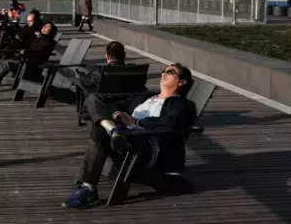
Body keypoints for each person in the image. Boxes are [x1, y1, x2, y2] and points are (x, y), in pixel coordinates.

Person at [62, 63, 196, 210]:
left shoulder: (182, 104)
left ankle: (88, 189)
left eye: (170, 72)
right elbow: (115, 105)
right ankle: (112, 129)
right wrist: (118, 115)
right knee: (93, 98)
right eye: (163, 71)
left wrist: (136, 121)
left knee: (99, 130)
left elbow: (171, 124)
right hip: (125, 136)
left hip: (147, 147)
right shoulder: (146, 97)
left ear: (182, 82)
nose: (163, 73)